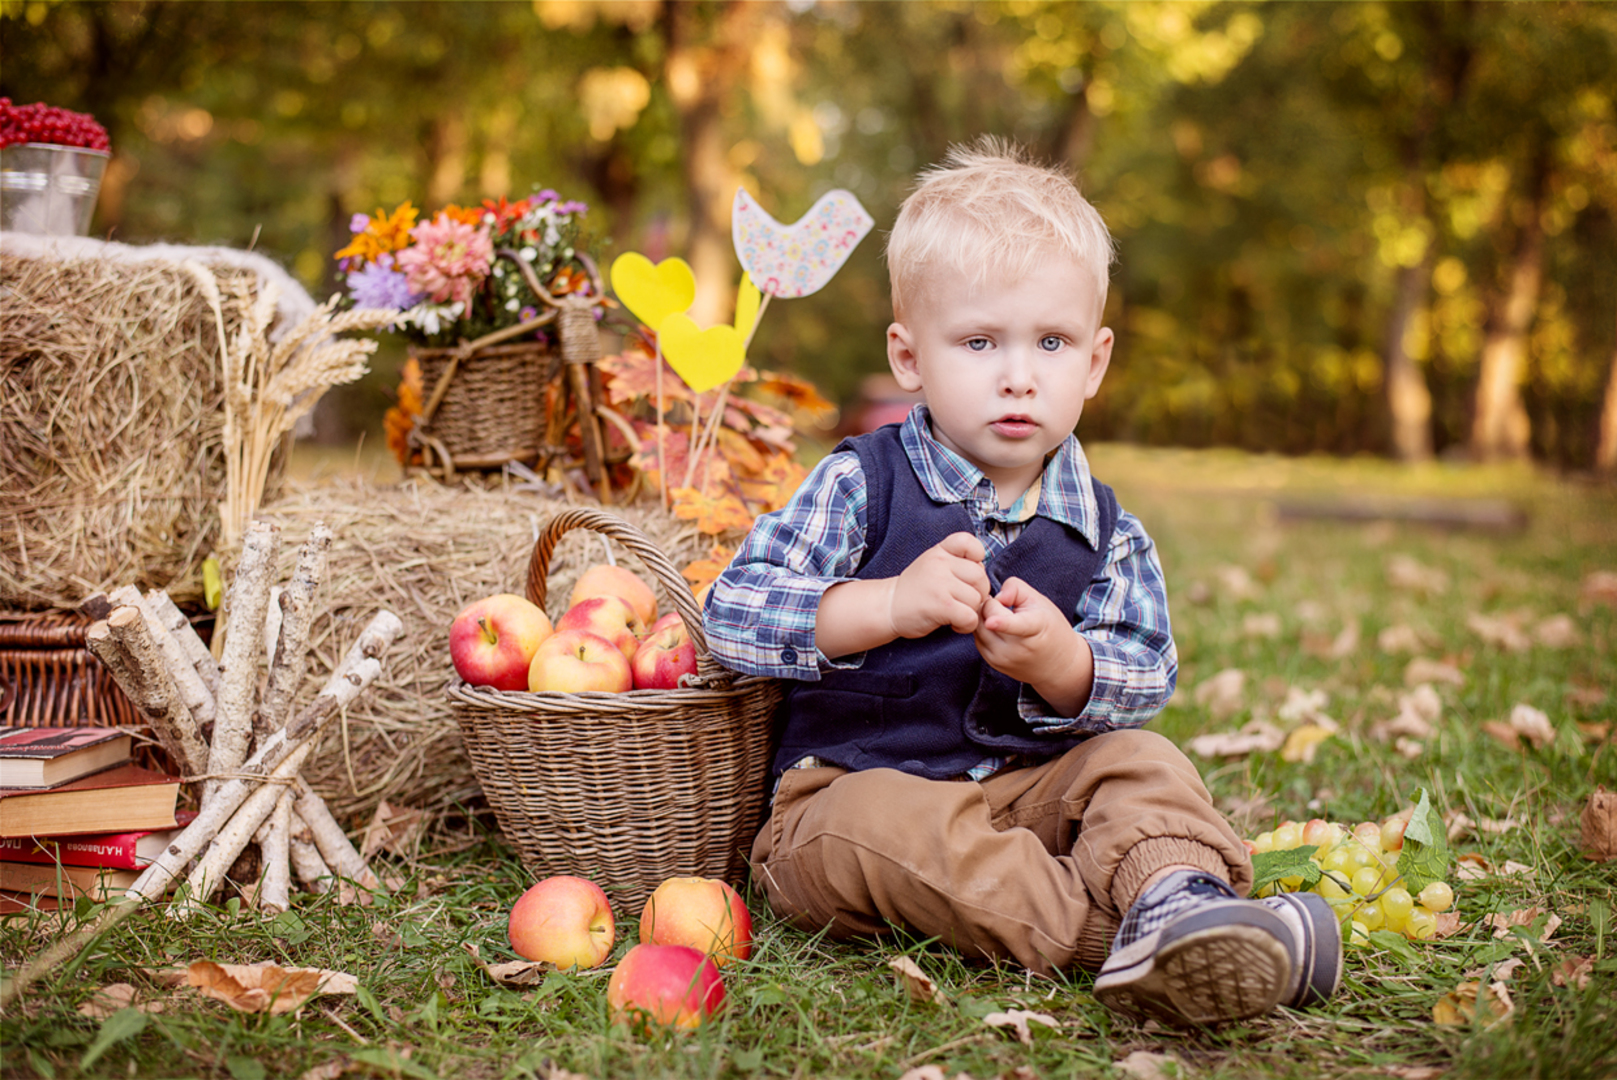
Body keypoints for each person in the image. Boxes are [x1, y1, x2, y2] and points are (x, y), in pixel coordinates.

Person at [703, 138, 1340, 1026]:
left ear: (1094, 361)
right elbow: (731, 611)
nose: (1017, 375)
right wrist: (885, 604)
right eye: (978, 341)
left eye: (1051, 342)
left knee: (1141, 762)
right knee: (877, 828)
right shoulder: (859, 483)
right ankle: (1152, 936)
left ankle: (1178, 893)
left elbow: (1144, 673)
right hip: (849, 793)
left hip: (1024, 792)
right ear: (908, 357)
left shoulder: (1105, 530)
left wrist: (1062, 662)